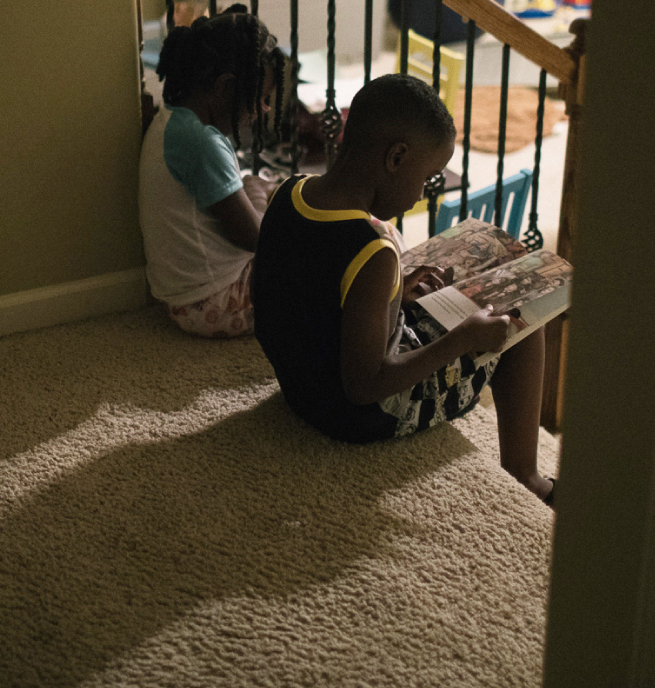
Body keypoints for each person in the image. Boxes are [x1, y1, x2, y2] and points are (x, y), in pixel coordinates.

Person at [251, 74, 556, 505]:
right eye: (428, 178)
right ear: (396, 157)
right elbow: (365, 384)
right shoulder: (374, 250)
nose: (420, 195)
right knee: (521, 322)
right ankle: (527, 477)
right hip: (355, 414)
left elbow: (304, 296)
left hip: (300, 388)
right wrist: (464, 339)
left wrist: (395, 295)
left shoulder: (289, 192)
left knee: (452, 301)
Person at [140, 6, 288, 337]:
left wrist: (258, 191)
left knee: (257, 182)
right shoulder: (202, 143)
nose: (263, 109)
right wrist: (264, 203)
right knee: (322, 260)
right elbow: (255, 238)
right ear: (224, 87)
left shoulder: (175, 120)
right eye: (260, 98)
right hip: (216, 301)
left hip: (186, 296)